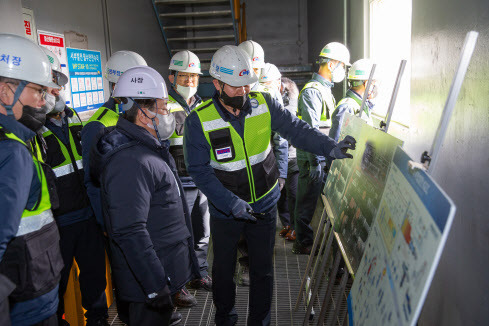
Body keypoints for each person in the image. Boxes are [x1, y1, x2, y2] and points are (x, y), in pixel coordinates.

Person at [183, 45, 356, 326]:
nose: (244, 92)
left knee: (263, 272)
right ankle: (226, 318)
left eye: (247, 85)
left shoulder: (264, 104)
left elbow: (297, 130)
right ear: (216, 84)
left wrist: (330, 147)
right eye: (236, 87)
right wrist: (230, 203)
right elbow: (200, 173)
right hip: (226, 211)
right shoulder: (198, 122)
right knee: (224, 271)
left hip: (263, 206)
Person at [90, 66, 201, 325]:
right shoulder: (130, 161)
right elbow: (129, 231)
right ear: (142, 114)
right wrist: (155, 285)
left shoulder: (147, 148)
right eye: (162, 108)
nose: (167, 115)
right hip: (147, 284)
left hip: (160, 273)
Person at [40, 48, 108, 326]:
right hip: (58, 224)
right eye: (50, 87)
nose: (57, 92)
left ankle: (99, 320)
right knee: (54, 282)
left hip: (88, 216)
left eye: (59, 86)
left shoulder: (76, 119)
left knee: (94, 275)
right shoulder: (33, 130)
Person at [0, 33, 63, 326]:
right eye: (38, 91)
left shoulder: (16, 141)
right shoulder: (12, 152)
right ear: (5, 92)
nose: (43, 101)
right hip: (27, 302)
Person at [294, 42, 351, 254]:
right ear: (331, 64)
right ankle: (303, 243)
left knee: (313, 201)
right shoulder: (313, 91)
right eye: (342, 66)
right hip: (312, 157)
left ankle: (307, 240)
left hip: (320, 155)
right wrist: (315, 161)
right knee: (307, 201)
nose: (343, 71)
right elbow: (310, 130)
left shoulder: (325, 90)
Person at [81, 50, 147, 230]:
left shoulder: (142, 115)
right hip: (120, 220)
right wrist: (107, 226)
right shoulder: (97, 125)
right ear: (116, 86)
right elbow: (93, 183)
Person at [167, 50, 212, 299]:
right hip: (176, 183)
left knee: (202, 231)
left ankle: (200, 274)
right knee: (178, 234)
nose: (189, 82)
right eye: (184, 77)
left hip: (201, 180)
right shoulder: (163, 105)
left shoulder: (204, 107)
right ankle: (178, 283)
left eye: (193, 77)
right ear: (171, 77)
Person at [329, 58, 377, 142]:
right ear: (366, 84)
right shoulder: (347, 107)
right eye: (373, 83)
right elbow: (336, 143)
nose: (375, 87)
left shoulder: (361, 105)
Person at [277, 77, 300, 241]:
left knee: (293, 194)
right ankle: (287, 224)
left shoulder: (294, 104)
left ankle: (295, 227)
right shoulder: (276, 106)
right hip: (280, 157)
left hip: (294, 157)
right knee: (282, 195)